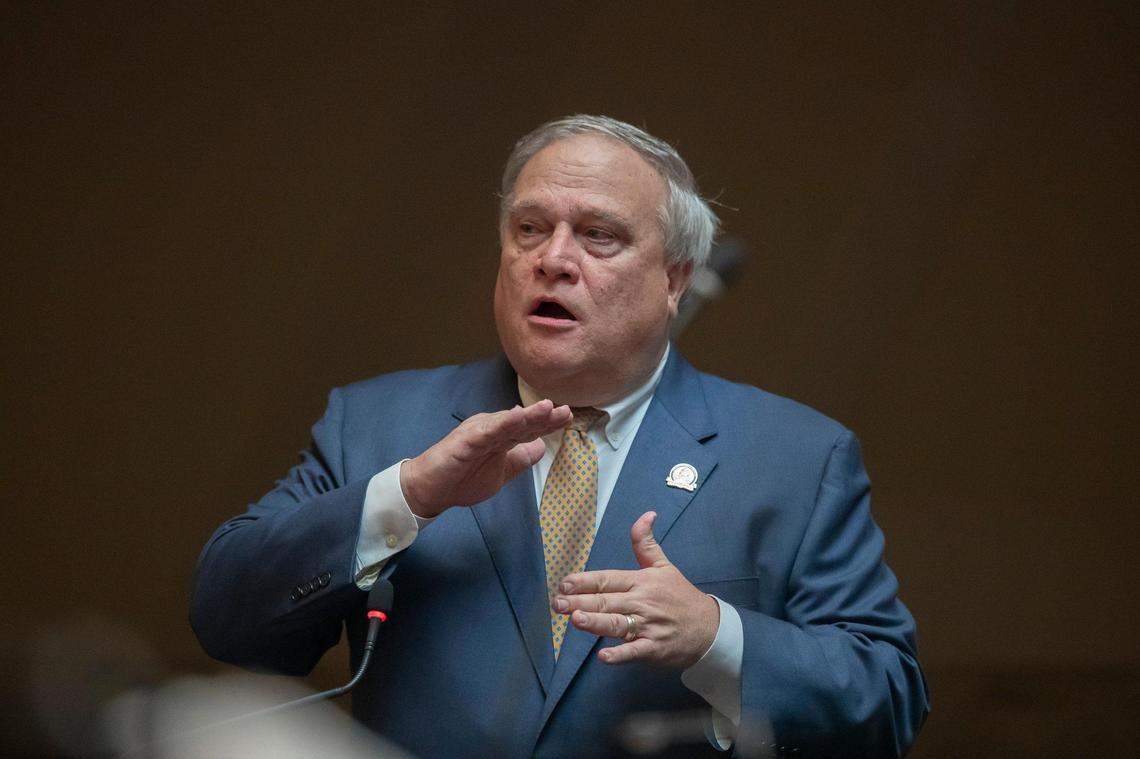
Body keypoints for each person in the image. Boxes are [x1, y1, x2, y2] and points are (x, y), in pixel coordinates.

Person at [191, 115, 929, 758]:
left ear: (675, 280)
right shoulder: (378, 422)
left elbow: (887, 702)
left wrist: (716, 635)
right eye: (530, 229)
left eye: (598, 235)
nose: (551, 258)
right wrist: (403, 497)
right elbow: (228, 624)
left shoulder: (797, 457)